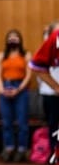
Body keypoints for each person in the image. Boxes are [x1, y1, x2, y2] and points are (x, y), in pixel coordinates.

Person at [0, 29, 32, 162]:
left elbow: (29, 74)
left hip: (20, 89)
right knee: (7, 122)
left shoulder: (26, 55)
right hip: (5, 87)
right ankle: (9, 148)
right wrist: (1, 88)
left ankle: (22, 149)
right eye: (10, 37)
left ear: (20, 40)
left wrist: (19, 89)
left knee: (22, 122)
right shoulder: (2, 56)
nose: (13, 40)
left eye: (15, 37)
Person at [29, 21, 59, 157]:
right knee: (54, 124)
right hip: (51, 93)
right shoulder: (52, 44)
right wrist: (55, 87)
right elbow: (36, 66)